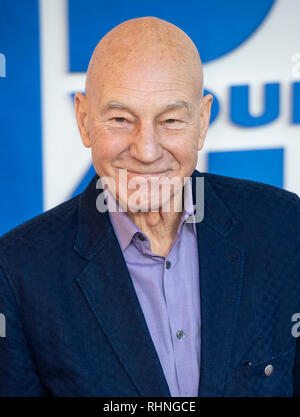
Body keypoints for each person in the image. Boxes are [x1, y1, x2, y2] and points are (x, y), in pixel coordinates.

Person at [0, 16, 299, 397]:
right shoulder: (18, 270)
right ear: (84, 119)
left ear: (202, 121)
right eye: (121, 119)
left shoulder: (283, 225)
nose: (146, 150)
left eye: (171, 120)